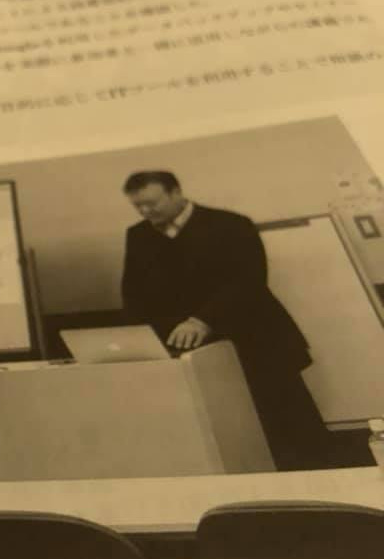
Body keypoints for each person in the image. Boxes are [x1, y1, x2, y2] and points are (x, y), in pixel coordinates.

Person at [120, 170, 332, 471]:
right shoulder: (138, 235)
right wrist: (140, 338)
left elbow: (249, 281)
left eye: (152, 203)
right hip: (194, 352)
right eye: (137, 206)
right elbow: (134, 293)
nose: (145, 211)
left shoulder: (231, 225)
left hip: (257, 340)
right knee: (230, 435)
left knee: (292, 424)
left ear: (176, 192)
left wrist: (202, 320)